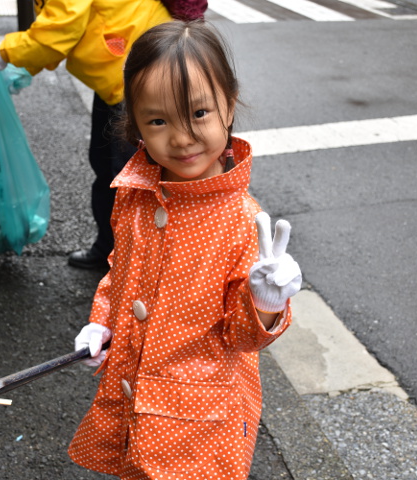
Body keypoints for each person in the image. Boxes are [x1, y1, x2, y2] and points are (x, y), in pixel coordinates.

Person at [68, 21, 303, 479]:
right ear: (135, 122)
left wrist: (266, 302)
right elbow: (121, 270)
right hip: (135, 393)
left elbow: (243, 338)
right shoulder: (136, 192)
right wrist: (102, 321)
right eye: (158, 120)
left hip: (200, 423)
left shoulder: (239, 220)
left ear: (228, 107)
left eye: (198, 113)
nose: (181, 138)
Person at [0, 0, 172, 268]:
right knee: (109, 169)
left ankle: (140, 271)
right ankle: (111, 251)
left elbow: (59, 30)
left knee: (135, 181)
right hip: (119, 67)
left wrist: (4, 52)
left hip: (141, 70)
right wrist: (22, 61)